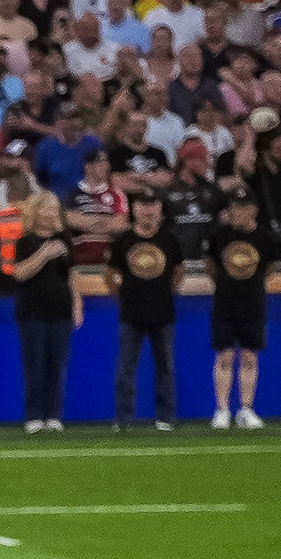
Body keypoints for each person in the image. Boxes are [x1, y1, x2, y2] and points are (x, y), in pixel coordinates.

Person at [104, 184, 180, 431]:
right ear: (134, 209)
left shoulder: (169, 239)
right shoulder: (124, 241)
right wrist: (123, 296)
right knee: (125, 368)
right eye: (143, 206)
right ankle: (124, 418)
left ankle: (165, 417)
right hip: (131, 313)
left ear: (160, 209)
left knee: (165, 367)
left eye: (153, 206)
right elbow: (111, 274)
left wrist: (166, 292)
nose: (148, 211)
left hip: (163, 311)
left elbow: (178, 272)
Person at [5, 186, 78, 432]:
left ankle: (54, 415)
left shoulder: (65, 239)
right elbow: (20, 273)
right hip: (32, 310)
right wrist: (45, 254)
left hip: (60, 309)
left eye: (53, 208)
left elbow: (71, 275)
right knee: (34, 364)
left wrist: (77, 305)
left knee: (57, 364)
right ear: (36, 211)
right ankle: (34, 415)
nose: (50, 213)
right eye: (46, 208)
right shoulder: (24, 241)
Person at [207, 186, 270, 429]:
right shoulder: (220, 236)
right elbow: (211, 266)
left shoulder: (263, 237)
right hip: (224, 303)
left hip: (253, 303)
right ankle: (222, 409)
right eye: (233, 206)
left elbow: (268, 268)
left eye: (242, 207)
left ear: (253, 210)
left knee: (249, 357)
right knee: (223, 356)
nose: (236, 212)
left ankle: (246, 408)